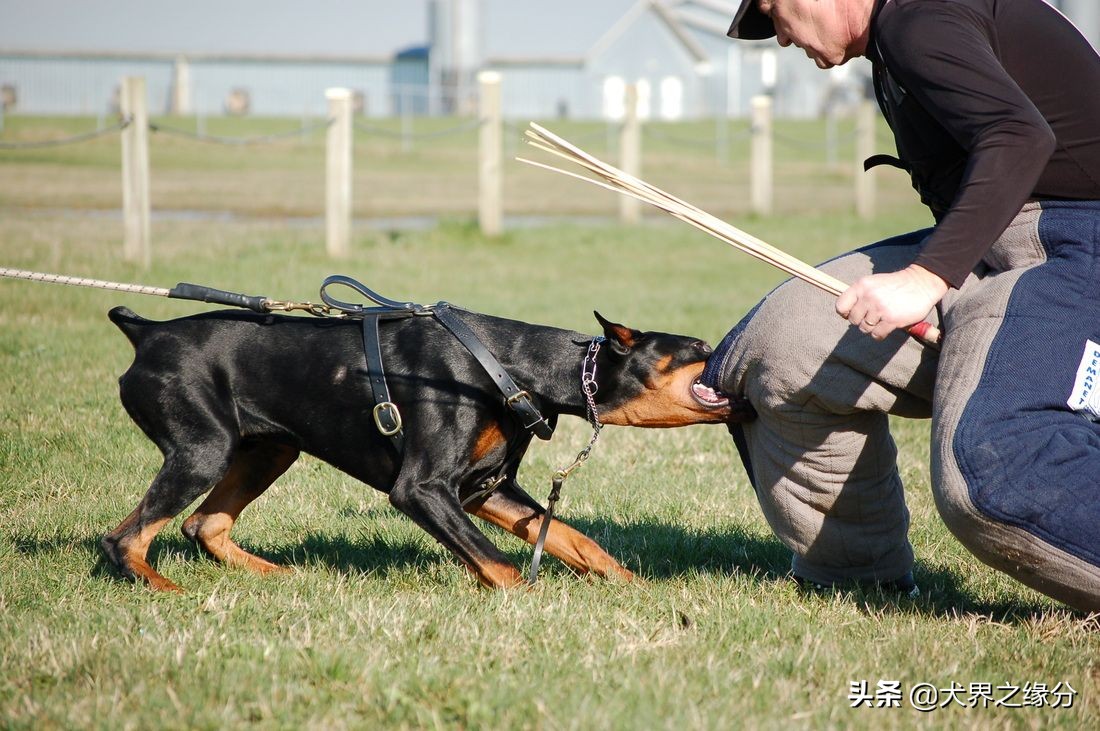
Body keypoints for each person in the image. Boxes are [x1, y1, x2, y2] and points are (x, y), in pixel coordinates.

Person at [703, 0, 1100, 610]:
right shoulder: (897, 35)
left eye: (773, 10)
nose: (779, 37)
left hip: (1073, 247)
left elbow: (1019, 137)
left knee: (992, 472)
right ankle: (858, 581)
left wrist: (926, 276)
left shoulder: (919, 16)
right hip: (998, 248)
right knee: (780, 350)